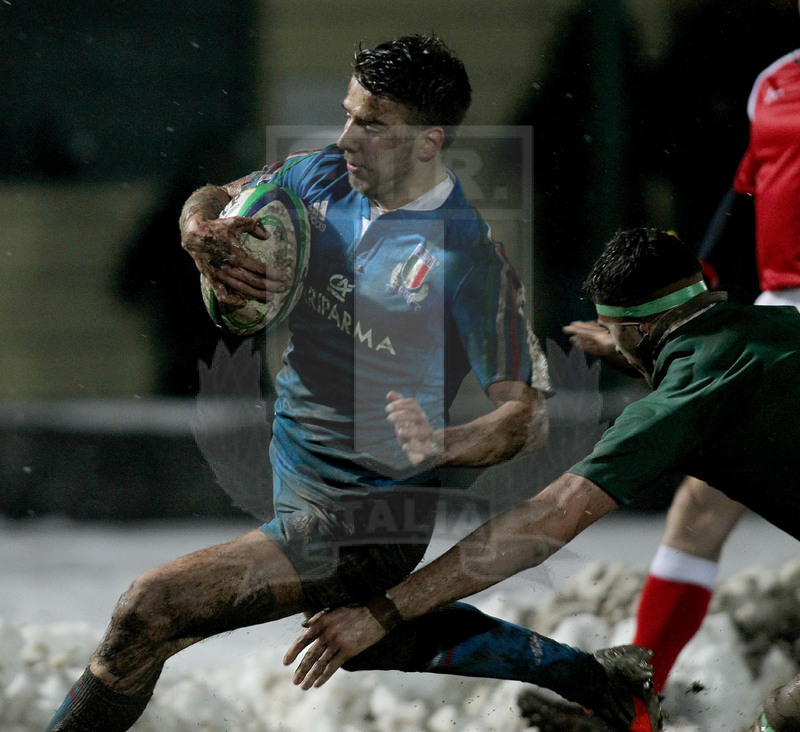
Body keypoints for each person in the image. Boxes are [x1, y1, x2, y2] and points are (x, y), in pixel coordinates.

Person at [44, 35, 655, 732]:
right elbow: (219, 194)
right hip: (298, 479)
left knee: (147, 610)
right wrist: (198, 231)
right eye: (348, 113)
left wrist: (442, 445)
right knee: (368, 634)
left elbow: (522, 419)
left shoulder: (467, 258)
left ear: (427, 143)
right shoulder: (319, 177)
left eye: (371, 124)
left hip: (364, 519)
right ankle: (600, 682)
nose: (347, 137)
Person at [287, 227, 800, 732]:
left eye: (617, 333)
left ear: (638, 331)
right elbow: (712, 360)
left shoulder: (679, 406)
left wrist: (382, 612)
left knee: (786, 713)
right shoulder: (780, 327)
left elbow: (546, 520)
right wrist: (631, 346)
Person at [566, 33, 800, 698]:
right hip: (780, 311)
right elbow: (747, 194)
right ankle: (638, 701)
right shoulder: (776, 78)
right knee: (699, 507)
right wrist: (683, 297)